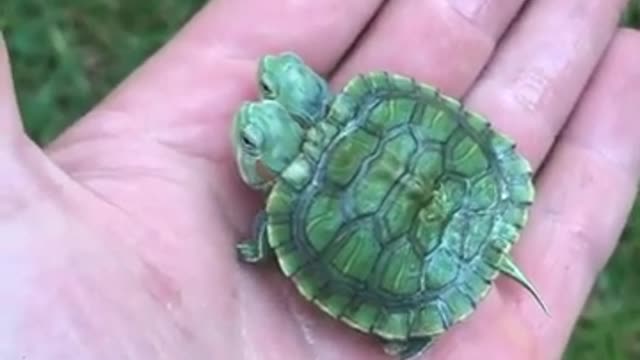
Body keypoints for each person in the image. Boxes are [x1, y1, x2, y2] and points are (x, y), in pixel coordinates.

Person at [0, 1, 638, 359]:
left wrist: (256, 247)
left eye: (273, 93)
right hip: (474, 194)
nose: (257, 102)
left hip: (437, 231)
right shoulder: (372, 101)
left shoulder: (288, 221)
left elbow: (267, 244)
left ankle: (414, 333)